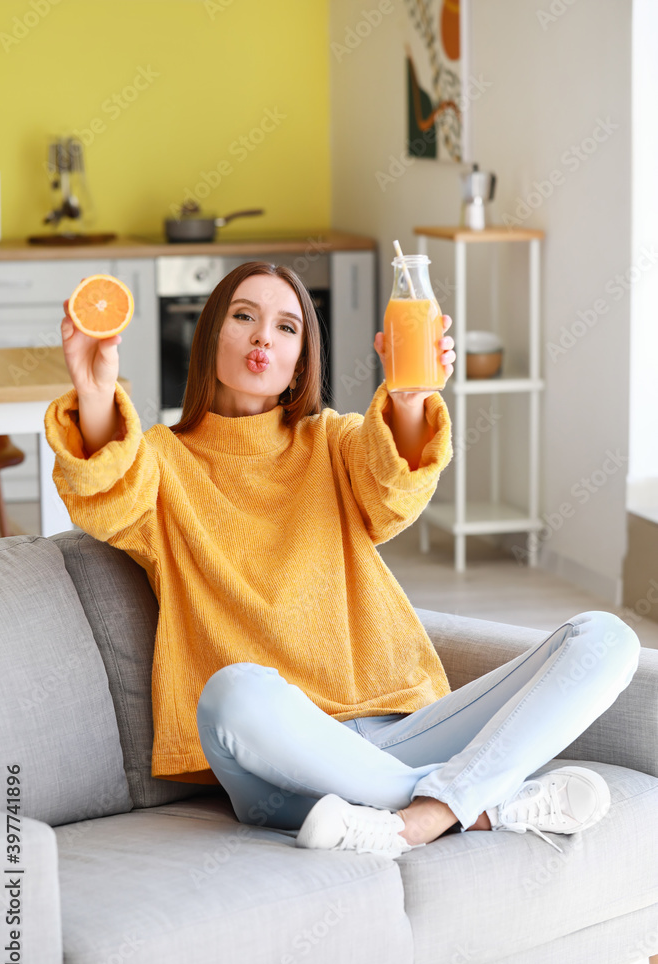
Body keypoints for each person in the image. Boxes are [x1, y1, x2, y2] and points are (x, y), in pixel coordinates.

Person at [45, 259, 640, 862]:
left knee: (607, 639)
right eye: (244, 316)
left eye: (287, 327)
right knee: (230, 693)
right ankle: (483, 802)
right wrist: (94, 395)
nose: (262, 338)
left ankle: (422, 817)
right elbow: (106, 499)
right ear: (209, 337)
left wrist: (408, 399)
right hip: (278, 759)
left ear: (302, 359)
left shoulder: (331, 442)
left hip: (401, 730)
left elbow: (392, 490)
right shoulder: (160, 463)